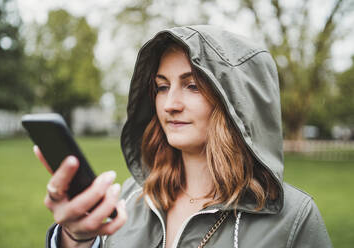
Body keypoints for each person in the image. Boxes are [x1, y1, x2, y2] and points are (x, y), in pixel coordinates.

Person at [37, 25, 332, 248]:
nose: (170, 104)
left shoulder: (294, 219)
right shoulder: (131, 197)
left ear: (237, 103)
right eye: (162, 87)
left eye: (192, 86)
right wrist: (76, 238)